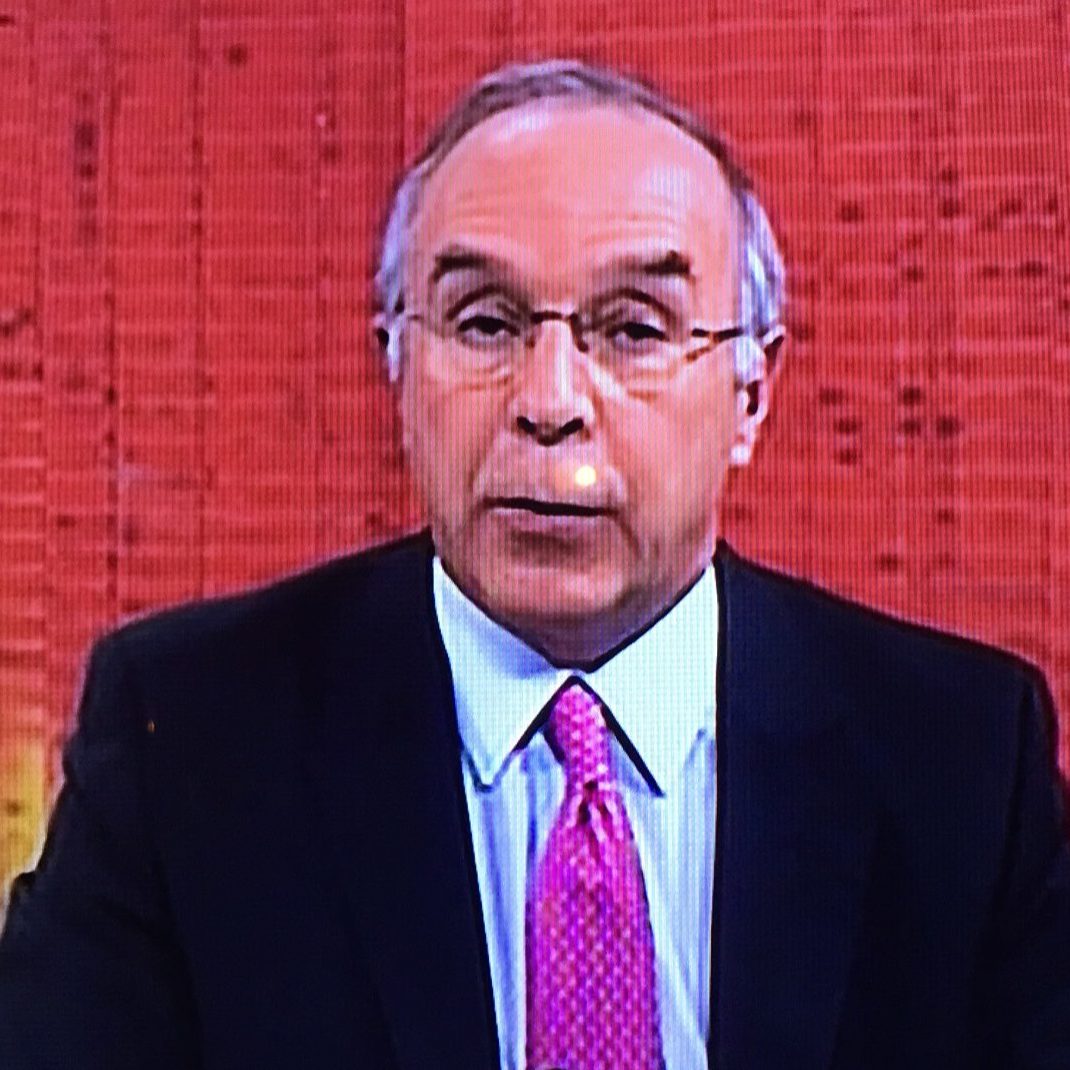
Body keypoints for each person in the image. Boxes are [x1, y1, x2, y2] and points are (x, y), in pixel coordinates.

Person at [0, 57, 1068, 1070]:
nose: (550, 402)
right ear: (396, 367)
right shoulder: (190, 735)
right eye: (484, 323)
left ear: (750, 394)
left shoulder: (961, 760)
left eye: (634, 329)